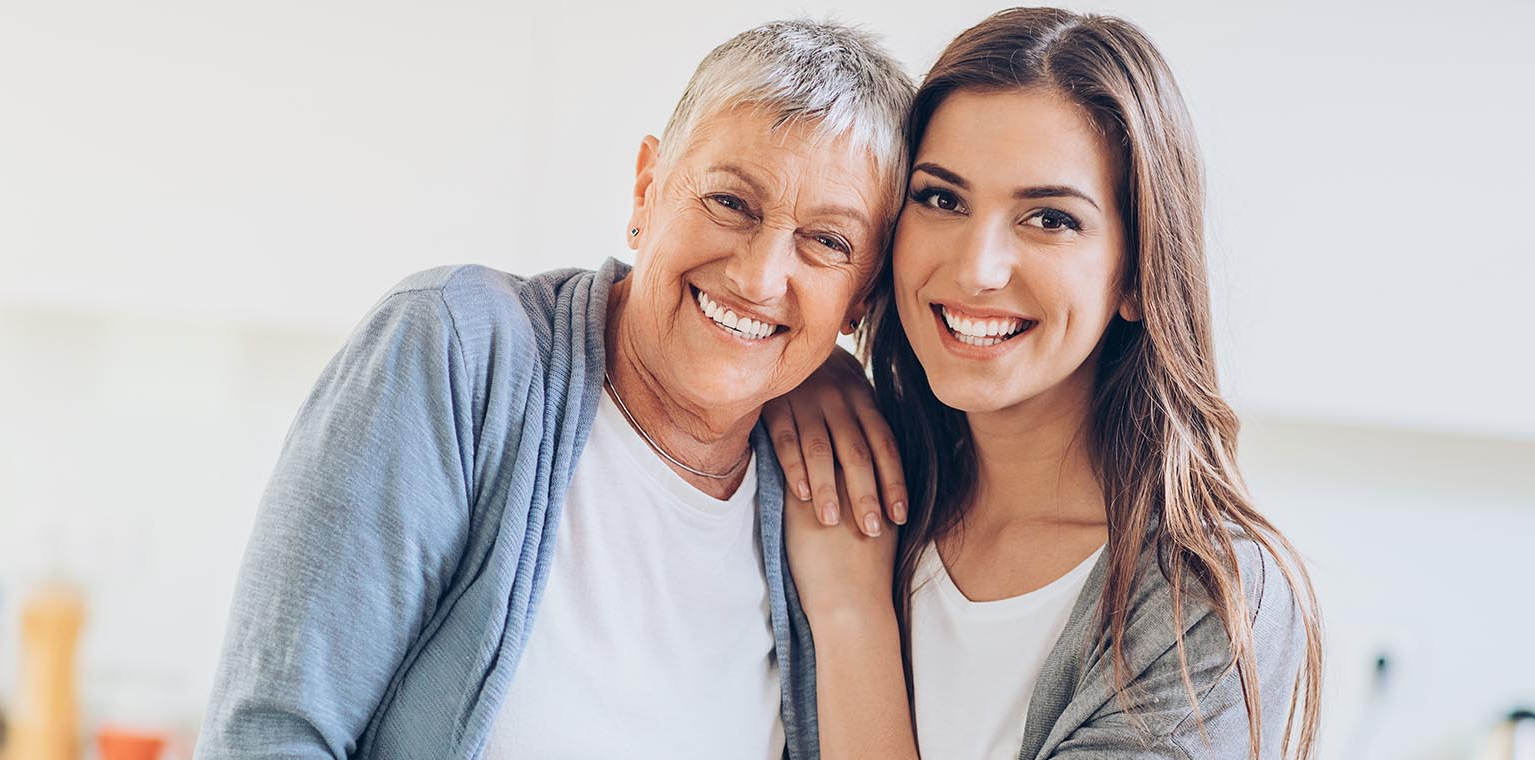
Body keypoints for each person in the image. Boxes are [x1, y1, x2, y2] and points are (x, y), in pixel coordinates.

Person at [193, 19, 914, 760]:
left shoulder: (833, 486)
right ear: (648, 190)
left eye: (827, 242)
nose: (760, 276)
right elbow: (272, 735)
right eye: (731, 202)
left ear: (861, 297)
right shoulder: (457, 349)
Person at [762, 8, 1324, 759]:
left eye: (1050, 219)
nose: (976, 268)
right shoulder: (841, 472)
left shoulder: (1207, 608)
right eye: (941, 198)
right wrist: (794, 360)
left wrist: (852, 613)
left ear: (1136, 276)